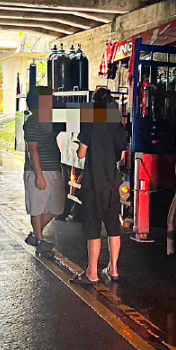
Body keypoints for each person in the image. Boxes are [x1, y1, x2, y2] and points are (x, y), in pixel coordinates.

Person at [71, 87, 127, 285]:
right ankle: (113, 269)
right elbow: (121, 155)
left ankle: (92, 273)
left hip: (95, 183)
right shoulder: (117, 122)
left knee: (93, 228)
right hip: (112, 182)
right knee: (113, 227)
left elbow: (81, 154)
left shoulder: (91, 120)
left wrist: (79, 147)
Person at [23, 87, 65, 255]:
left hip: (54, 168)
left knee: (56, 208)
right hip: (39, 171)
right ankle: (40, 240)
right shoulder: (32, 122)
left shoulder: (49, 119)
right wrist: (39, 175)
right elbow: (33, 150)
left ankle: (35, 234)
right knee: (37, 208)